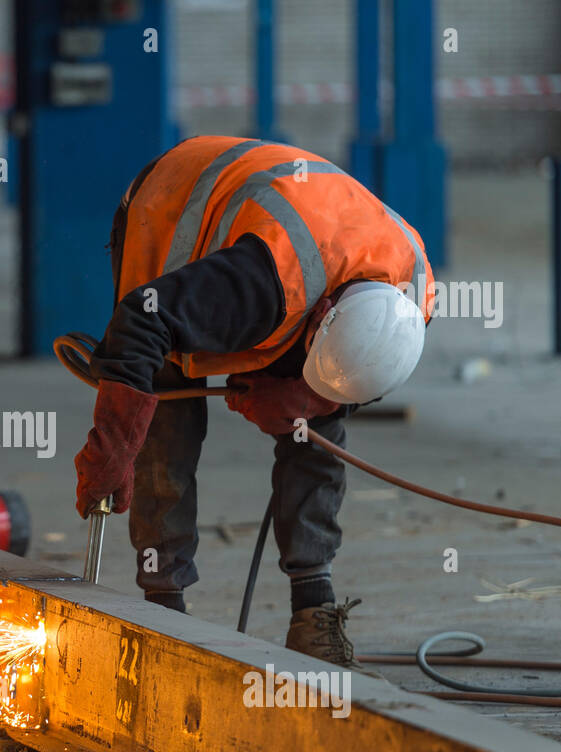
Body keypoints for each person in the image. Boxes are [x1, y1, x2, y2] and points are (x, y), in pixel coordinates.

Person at [74, 136, 433, 674]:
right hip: (170, 207)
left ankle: (313, 608)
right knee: (167, 408)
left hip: (298, 241)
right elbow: (139, 320)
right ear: (319, 316)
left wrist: (306, 398)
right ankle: (164, 609)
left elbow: (353, 378)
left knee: (319, 429)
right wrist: (115, 441)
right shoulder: (261, 284)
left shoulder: (412, 303)